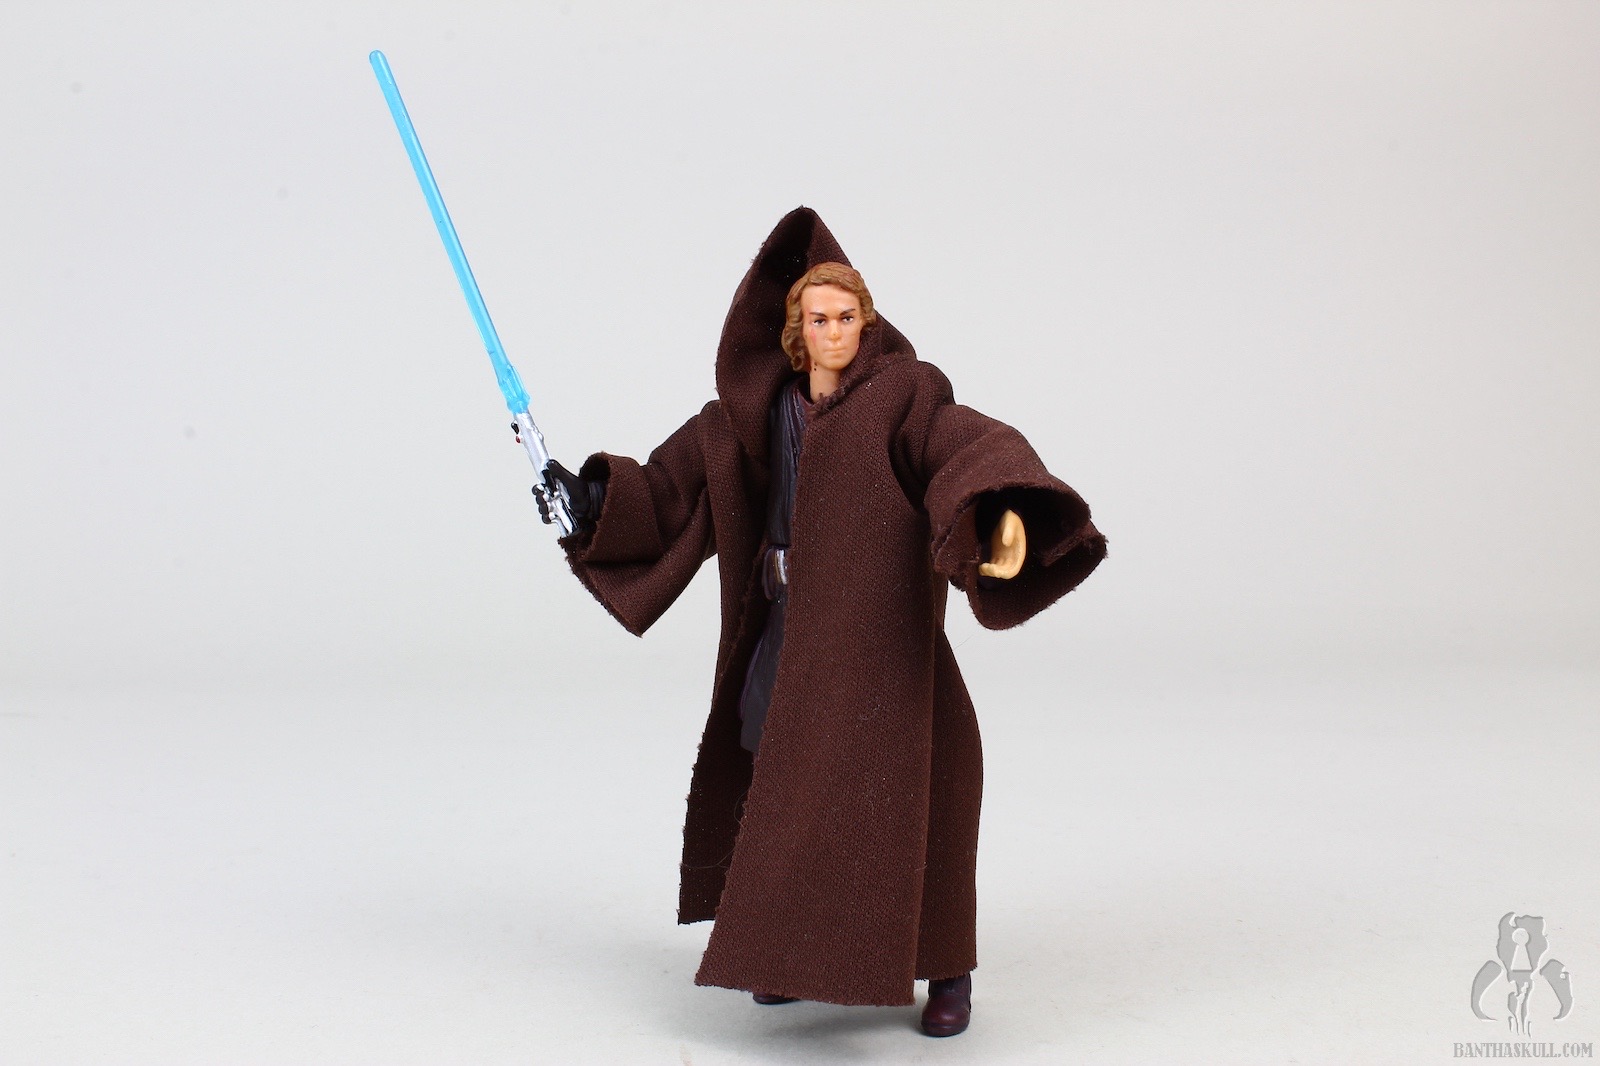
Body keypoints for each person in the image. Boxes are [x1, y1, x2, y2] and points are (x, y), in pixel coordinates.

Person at [541, 207, 1106, 1037]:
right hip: (789, 637)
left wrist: (996, 516)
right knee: (783, 787)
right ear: (795, 331)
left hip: (885, 651)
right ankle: (785, 952)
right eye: (818, 319)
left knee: (929, 801)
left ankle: (948, 972)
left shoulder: (905, 400)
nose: (834, 332)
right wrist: (588, 500)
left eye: (847, 318)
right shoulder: (747, 421)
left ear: (866, 324)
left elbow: (961, 448)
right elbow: (668, 491)